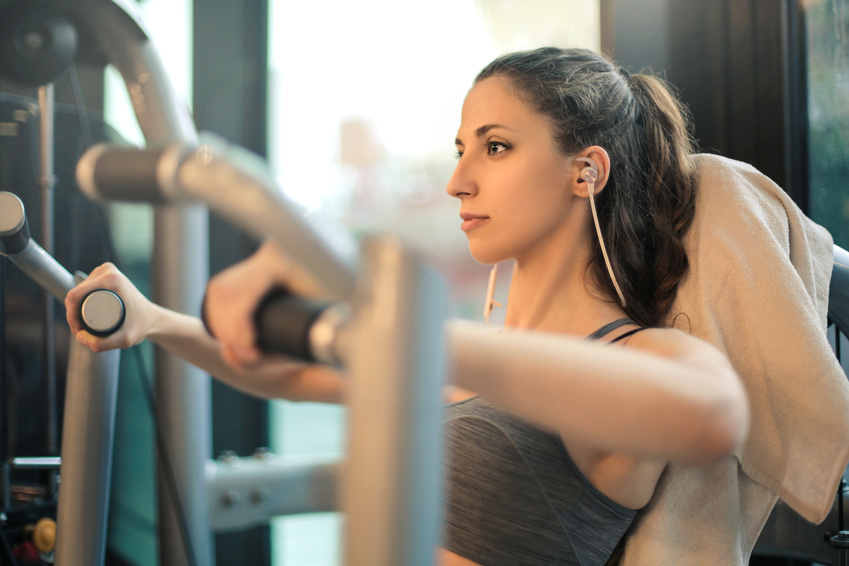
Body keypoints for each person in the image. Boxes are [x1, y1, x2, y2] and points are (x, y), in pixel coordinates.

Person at [66, 47, 749, 565]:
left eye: (495, 147)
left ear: (585, 171)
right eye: (460, 151)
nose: (457, 181)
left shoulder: (633, 352)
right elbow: (282, 373)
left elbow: (713, 418)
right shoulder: (477, 349)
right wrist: (153, 320)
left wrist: (407, 336)